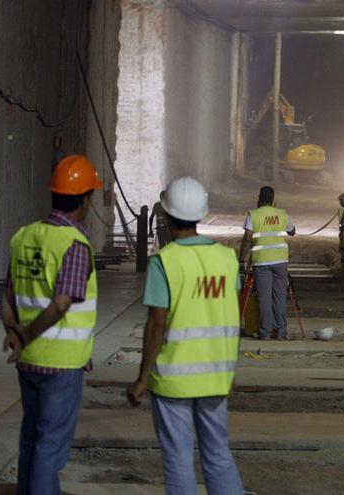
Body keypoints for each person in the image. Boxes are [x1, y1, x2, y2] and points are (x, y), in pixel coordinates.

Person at [127, 176, 243, 494]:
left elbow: (156, 325)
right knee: (218, 454)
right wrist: (230, 369)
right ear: (201, 215)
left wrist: (141, 379)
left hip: (174, 379)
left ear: (165, 216)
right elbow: (230, 317)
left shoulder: (165, 262)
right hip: (216, 375)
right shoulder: (226, 259)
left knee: (178, 459)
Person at [1, 154, 102, 494]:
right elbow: (61, 305)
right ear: (85, 199)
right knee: (50, 447)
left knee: (31, 436)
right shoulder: (74, 245)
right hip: (61, 362)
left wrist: (13, 333)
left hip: (28, 362)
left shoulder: (23, 236)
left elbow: (8, 293)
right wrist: (25, 335)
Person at [238, 186, 296, 340]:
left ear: (258, 199)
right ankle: (281, 331)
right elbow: (292, 231)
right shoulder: (282, 214)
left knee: (264, 297)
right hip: (281, 261)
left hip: (262, 261)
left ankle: (265, 332)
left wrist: (241, 258)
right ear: (273, 200)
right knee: (279, 296)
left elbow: (248, 238)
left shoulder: (253, 214)